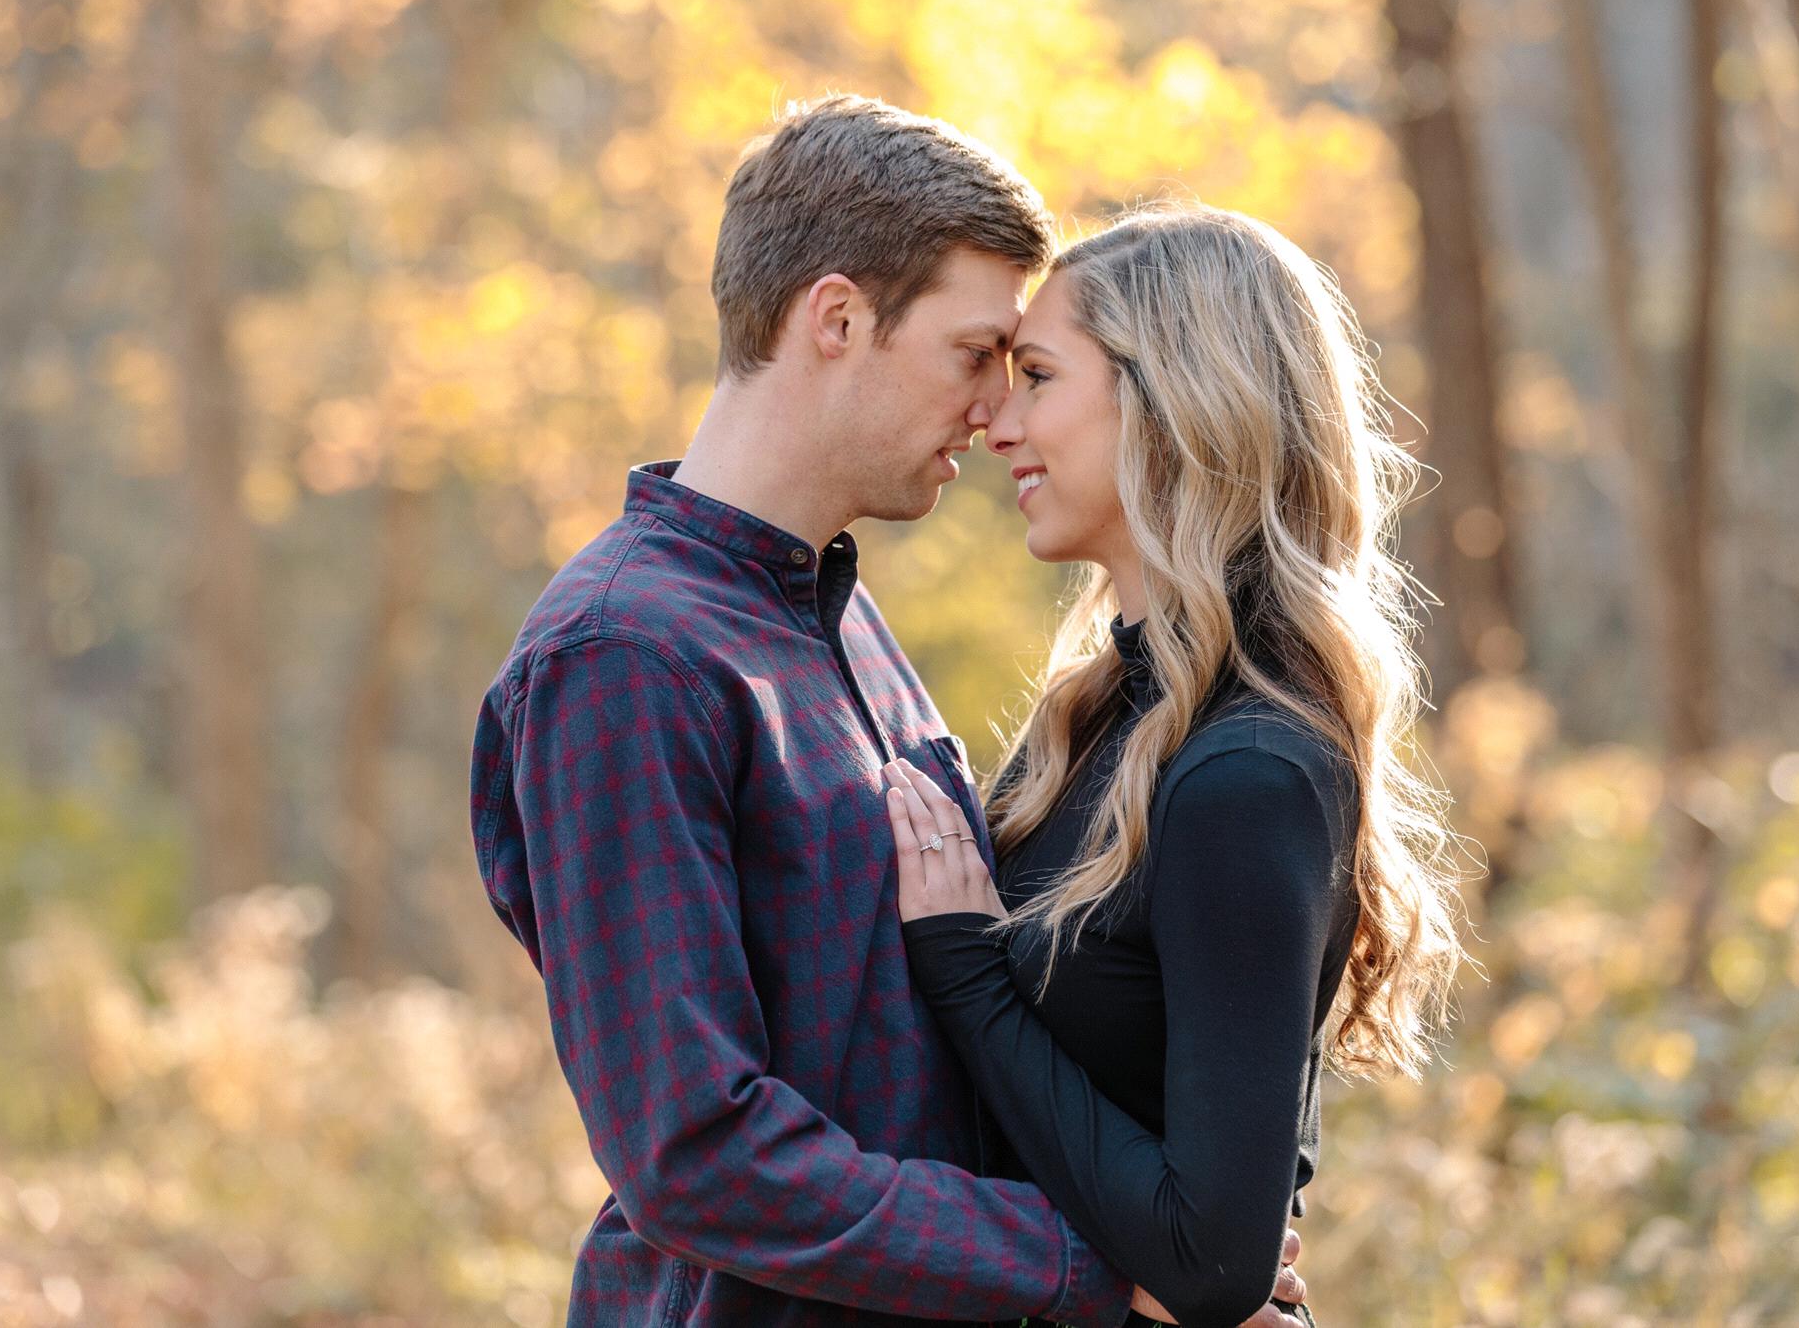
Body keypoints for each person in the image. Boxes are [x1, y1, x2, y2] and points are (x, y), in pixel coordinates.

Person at [469, 99, 1311, 1326]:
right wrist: (1088, 1261)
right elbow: (692, 1150)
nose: (992, 410)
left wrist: (1179, 1219)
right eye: (975, 353)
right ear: (837, 319)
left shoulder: (839, 616)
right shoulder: (624, 656)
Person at [885, 206, 1466, 1328]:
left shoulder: (1247, 774)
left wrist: (965, 968)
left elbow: (1209, 1263)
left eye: (1037, 376)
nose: (996, 420)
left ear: (1171, 405)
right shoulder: (1089, 722)